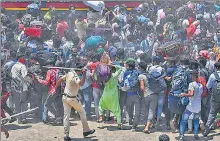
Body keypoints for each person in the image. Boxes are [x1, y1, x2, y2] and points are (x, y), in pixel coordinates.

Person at [55, 64, 95, 141]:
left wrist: (54, 89)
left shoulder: (69, 73)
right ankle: (86, 131)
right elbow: (81, 84)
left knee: (66, 116)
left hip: (65, 97)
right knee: (82, 112)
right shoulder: (75, 76)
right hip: (72, 99)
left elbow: (60, 80)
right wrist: (84, 75)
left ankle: (66, 135)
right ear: (80, 70)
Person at [36, 59, 62, 124]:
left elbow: (47, 82)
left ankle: (58, 117)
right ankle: (59, 117)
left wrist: (39, 80)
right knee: (57, 105)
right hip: (59, 90)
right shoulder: (58, 70)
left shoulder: (50, 71)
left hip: (53, 91)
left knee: (47, 104)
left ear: (50, 65)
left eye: (47, 64)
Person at [178, 71, 203, 141]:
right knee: (196, 120)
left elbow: (191, 94)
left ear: (193, 76)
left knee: (183, 120)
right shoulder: (200, 85)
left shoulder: (191, 84)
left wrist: (183, 94)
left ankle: (181, 135)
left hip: (191, 106)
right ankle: (195, 134)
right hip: (198, 106)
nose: (190, 77)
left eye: (191, 75)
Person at [10, 53, 29, 124]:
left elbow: (12, 76)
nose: (24, 59)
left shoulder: (14, 66)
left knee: (17, 103)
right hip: (22, 87)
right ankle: (24, 118)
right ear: (19, 58)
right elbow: (25, 77)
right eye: (23, 57)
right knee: (23, 103)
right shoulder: (22, 66)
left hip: (14, 87)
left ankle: (19, 119)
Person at [203, 61, 220, 137]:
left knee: (212, 113)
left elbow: (207, 86)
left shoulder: (213, 75)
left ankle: (207, 130)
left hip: (215, 98)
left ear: (216, 68)